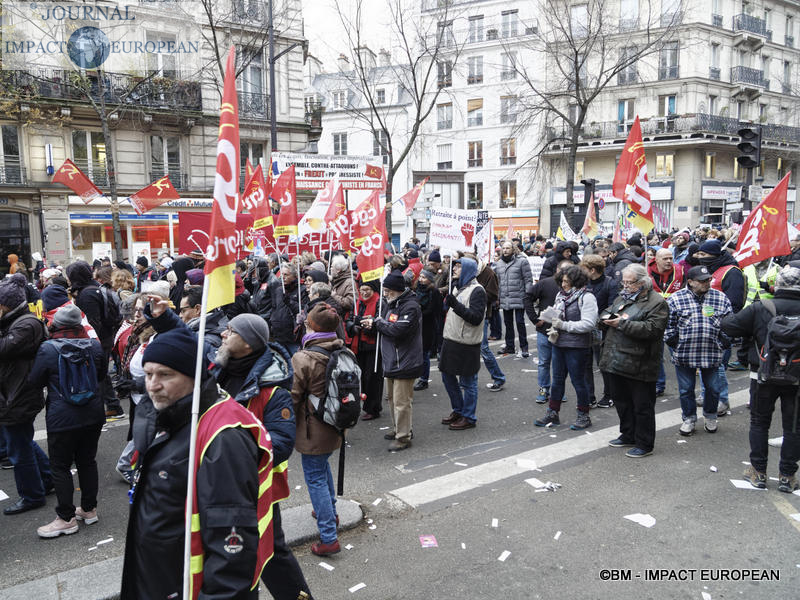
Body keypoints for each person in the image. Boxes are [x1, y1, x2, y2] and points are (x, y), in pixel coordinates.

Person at [121, 327, 273, 600]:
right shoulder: (165, 415)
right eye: (148, 374)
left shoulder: (224, 438)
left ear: (194, 376)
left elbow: (232, 554)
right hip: (155, 578)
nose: (152, 385)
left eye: (165, 375)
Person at [29, 305, 105, 538]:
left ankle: (66, 518)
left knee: (60, 466)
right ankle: (89, 509)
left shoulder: (48, 348)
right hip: (93, 413)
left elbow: (35, 380)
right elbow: (101, 376)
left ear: (57, 325)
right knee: (87, 461)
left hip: (62, 417)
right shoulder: (94, 345)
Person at [721, 266, 800, 492]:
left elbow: (729, 326)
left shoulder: (761, 307)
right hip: (797, 376)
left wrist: (754, 331)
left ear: (777, 285)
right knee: (794, 426)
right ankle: (787, 476)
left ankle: (758, 472)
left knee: (759, 422)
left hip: (762, 373)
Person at [291, 303, 344, 557]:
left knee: (314, 477)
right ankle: (330, 511)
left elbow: (292, 396)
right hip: (336, 423)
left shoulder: (304, 357)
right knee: (322, 469)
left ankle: (329, 537)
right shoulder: (342, 349)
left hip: (313, 429)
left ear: (311, 326)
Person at [600, 264, 668, 458]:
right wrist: (604, 319)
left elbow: (652, 329)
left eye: (629, 283)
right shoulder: (622, 297)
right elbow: (607, 311)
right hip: (615, 360)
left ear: (642, 283)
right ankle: (628, 434)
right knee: (622, 402)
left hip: (640, 363)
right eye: (624, 282)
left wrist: (622, 324)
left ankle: (644, 443)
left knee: (642, 406)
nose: (625, 286)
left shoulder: (656, 302)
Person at [0, 274, 52, 516]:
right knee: (22, 440)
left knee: (18, 448)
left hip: (19, 395)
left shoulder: (27, 324)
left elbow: (4, 349)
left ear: (6, 304)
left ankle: (32, 495)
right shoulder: (16, 320)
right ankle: (47, 479)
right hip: (14, 392)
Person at [665, 266, 732, 436]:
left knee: (713, 388)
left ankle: (710, 416)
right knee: (686, 390)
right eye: (702, 281)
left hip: (712, 352)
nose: (706, 283)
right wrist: (675, 343)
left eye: (708, 279)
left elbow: (729, 323)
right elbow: (668, 325)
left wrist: (723, 341)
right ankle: (689, 419)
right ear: (690, 282)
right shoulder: (676, 299)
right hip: (685, 354)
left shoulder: (720, 297)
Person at [361, 269, 423, 452]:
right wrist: (373, 323)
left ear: (397, 290)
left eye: (387, 291)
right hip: (391, 360)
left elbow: (398, 330)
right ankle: (399, 428)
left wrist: (378, 323)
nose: (385, 294)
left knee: (402, 402)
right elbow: (385, 323)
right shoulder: (391, 303)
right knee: (392, 399)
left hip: (405, 361)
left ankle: (403, 437)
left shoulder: (411, 306)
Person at [534, 265, 598, 430]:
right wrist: (550, 316)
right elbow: (558, 314)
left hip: (577, 346)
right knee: (557, 380)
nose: (563, 285)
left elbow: (589, 324)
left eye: (567, 282)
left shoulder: (587, 297)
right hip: (559, 343)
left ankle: (583, 415)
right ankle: (552, 413)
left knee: (578, 381)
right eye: (562, 281)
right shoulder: (561, 295)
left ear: (576, 281)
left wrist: (563, 325)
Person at [66, 260, 125, 420]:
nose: (68, 279)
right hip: (104, 337)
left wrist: (90, 343)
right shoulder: (92, 289)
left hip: (98, 340)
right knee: (101, 373)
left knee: (97, 374)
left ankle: (106, 408)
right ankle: (113, 406)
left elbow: (93, 323)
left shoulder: (87, 295)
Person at [439, 258, 486, 430]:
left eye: (459, 267)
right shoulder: (457, 287)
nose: (454, 269)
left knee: (468, 382)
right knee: (447, 376)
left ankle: (469, 417)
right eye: (455, 266)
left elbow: (476, 318)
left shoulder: (477, 290)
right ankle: (458, 410)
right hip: (451, 339)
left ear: (467, 270)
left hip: (467, 342)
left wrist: (455, 305)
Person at [525, 260, 572, 404]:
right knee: (544, 362)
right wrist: (534, 319)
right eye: (563, 271)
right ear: (557, 270)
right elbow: (527, 297)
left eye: (569, 272)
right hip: (545, 330)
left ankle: (558, 390)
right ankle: (544, 389)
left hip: (564, 331)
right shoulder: (545, 283)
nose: (565, 275)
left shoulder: (575, 286)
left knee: (561, 364)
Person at [346, 280, 384, 420]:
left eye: (367, 290)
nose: (364, 293)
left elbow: (380, 324)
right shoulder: (357, 302)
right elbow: (349, 320)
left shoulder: (380, 303)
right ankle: (364, 404)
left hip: (373, 346)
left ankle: (373, 408)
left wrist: (367, 325)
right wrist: (353, 326)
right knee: (361, 377)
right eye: (362, 290)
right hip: (359, 345)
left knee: (372, 379)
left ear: (373, 290)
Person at [581, 254, 614, 408]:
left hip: (603, 330)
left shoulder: (610, 283)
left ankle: (609, 395)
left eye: (584, 268)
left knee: (603, 364)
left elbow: (613, 307)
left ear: (592, 270)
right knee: (586, 363)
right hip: (586, 329)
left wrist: (598, 321)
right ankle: (589, 397)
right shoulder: (583, 283)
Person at [493, 241, 533, 357]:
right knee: (508, 323)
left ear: (513, 249)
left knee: (520, 322)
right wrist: (497, 297)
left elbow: (528, 279)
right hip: (505, 297)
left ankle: (524, 347)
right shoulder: (499, 264)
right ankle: (510, 346)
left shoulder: (522, 261)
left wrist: (528, 294)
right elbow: (498, 282)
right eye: (503, 248)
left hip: (519, 296)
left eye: (508, 248)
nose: (505, 250)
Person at [475, 256, 505, 391]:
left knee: (483, 348)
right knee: (468, 349)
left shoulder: (488, 273)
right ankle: (467, 379)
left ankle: (498, 377)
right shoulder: (464, 273)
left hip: (482, 315)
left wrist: (475, 295)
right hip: (468, 315)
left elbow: (493, 295)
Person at [414, 269, 443, 391]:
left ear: (430, 280)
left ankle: (424, 379)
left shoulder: (434, 291)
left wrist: (419, 311)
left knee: (424, 353)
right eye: (420, 276)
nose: (421, 279)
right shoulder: (416, 289)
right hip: (417, 324)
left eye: (424, 277)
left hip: (428, 325)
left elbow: (434, 310)